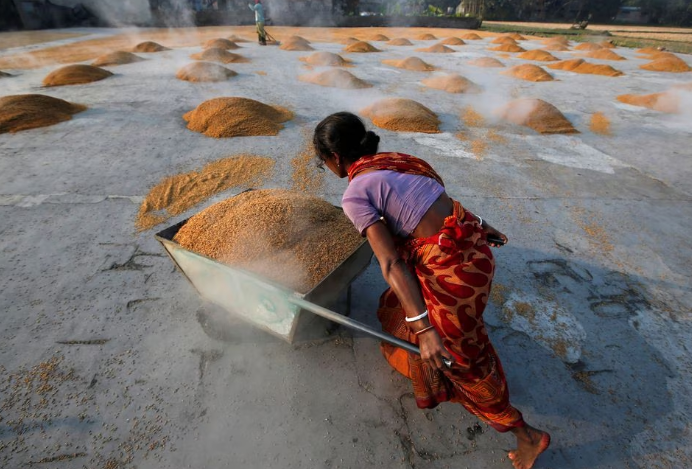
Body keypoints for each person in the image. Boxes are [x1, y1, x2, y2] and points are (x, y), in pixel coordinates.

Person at [313, 112, 550, 469]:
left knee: (462, 362)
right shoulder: (403, 164)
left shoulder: (355, 194)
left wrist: (425, 330)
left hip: (453, 280)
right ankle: (448, 354)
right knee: (401, 307)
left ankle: (527, 434)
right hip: (475, 254)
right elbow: (445, 205)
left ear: (334, 159)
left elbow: (391, 263)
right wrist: (485, 227)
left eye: (322, 161)